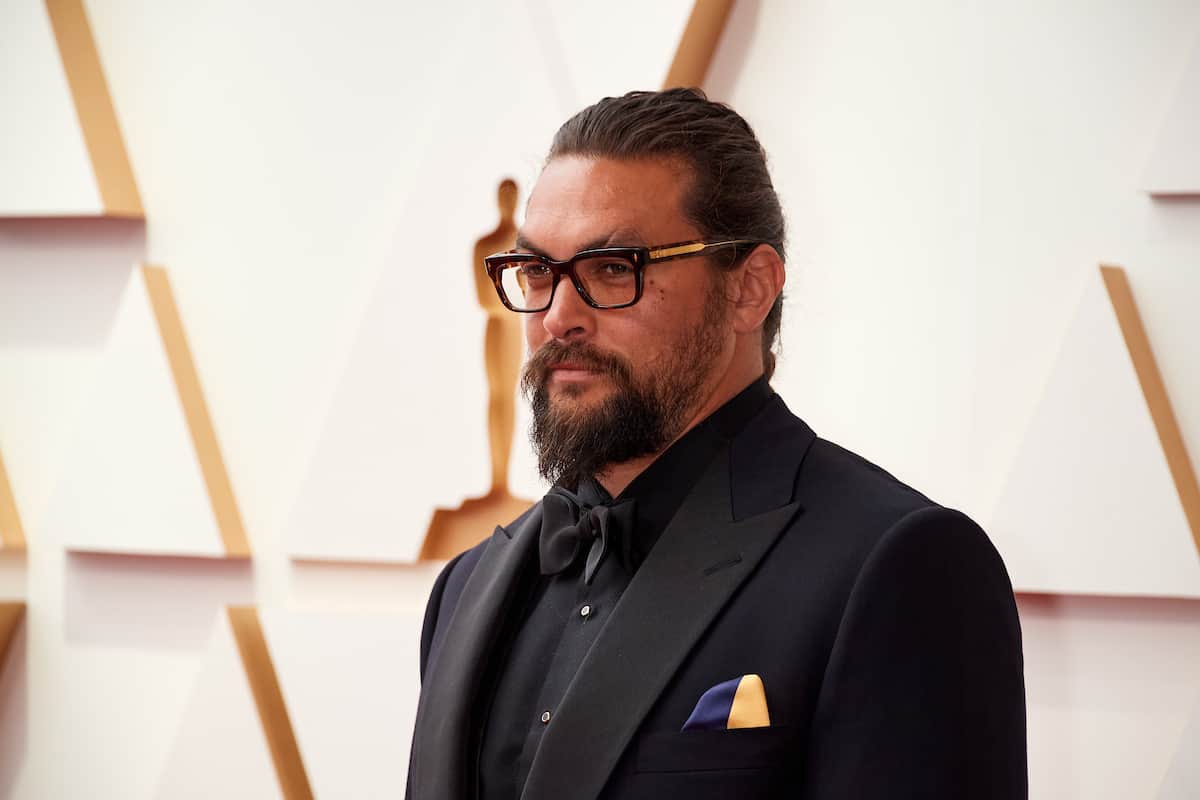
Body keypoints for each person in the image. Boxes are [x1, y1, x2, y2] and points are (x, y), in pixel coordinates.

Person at [407, 88, 1026, 800]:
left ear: (750, 289)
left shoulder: (899, 566)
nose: (557, 317)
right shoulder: (464, 587)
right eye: (539, 272)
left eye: (613, 268)